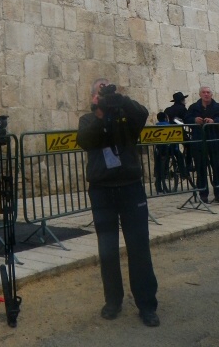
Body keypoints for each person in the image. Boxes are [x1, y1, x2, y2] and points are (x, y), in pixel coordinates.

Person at [76, 79, 159, 327]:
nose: (104, 96)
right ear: (92, 98)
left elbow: (142, 114)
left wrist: (120, 100)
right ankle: (113, 301)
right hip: (102, 192)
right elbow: (85, 140)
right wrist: (101, 115)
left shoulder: (127, 115)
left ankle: (147, 304)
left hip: (130, 189)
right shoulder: (88, 120)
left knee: (139, 248)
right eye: (99, 92)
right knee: (108, 249)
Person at [184, 86, 219, 203]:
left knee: (217, 167)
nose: (206, 94)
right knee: (200, 168)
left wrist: (214, 121)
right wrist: (194, 120)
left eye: (208, 92)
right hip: (199, 141)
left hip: (214, 141)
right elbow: (186, 118)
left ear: (211, 94)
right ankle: (203, 194)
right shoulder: (194, 107)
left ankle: (218, 193)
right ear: (200, 94)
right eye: (204, 92)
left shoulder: (217, 107)